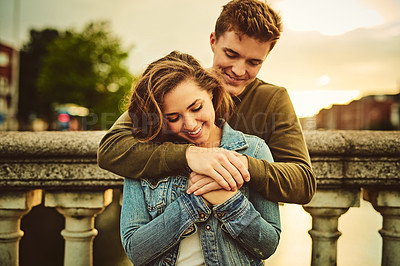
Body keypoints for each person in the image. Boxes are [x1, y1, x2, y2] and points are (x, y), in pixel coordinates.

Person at [98, 0, 316, 204]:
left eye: (254, 62)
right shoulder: (181, 86)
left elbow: (303, 182)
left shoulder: (273, 99)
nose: (239, 70)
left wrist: (233, 165)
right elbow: (110, 149)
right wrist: (189, 156)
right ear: (213, 41)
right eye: (231, 54)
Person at [120, 51, 280, 265]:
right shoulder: (144, 156)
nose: (191, 125)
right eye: (174, 118)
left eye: (196, 108)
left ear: (211, 93)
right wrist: (194, 202)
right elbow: (136, 251)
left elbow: (268, 245)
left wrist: (228, 201)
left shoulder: (253, 150)